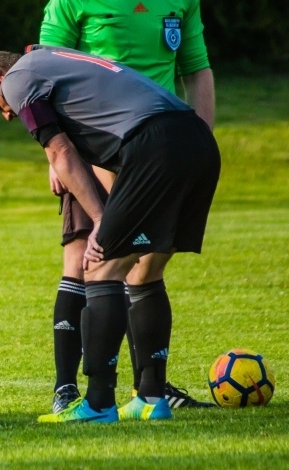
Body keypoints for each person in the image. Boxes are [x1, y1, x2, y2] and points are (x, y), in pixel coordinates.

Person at [0, 46, 220, 422]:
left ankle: (99, 404)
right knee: (145, 272)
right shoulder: (57, 61)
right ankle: (151, 399)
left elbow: (60, 153)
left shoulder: (19, 78)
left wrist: (101, 219)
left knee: (100, 268)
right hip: (197, 139)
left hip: (154, 144)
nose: (6, 115)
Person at [38, 0, 216, 412]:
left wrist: (199, 139)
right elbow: (44, 73)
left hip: (157, 150)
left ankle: (149, 390)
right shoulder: (70, 2)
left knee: (144, 265)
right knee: (83, 259)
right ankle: (67, 390)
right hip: (93, 148)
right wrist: (55, 155)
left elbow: (196, 69)